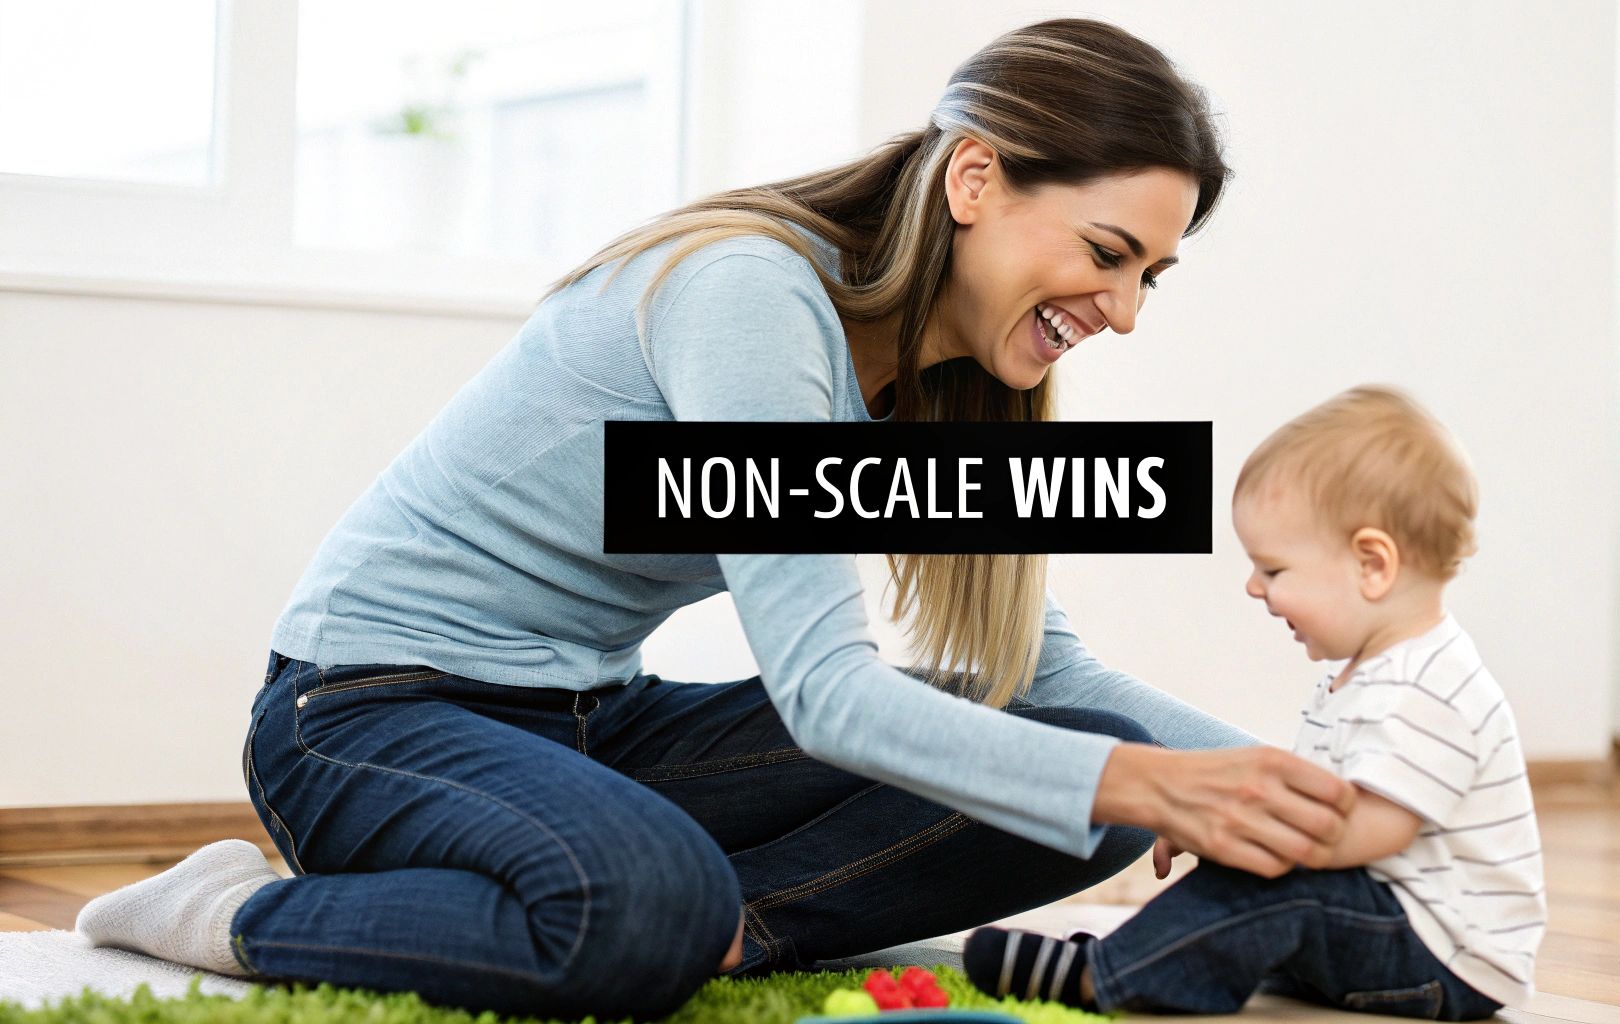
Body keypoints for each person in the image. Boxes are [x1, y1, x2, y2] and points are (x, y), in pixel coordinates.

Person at [73, 19, 1357, 1022]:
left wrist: (1309, 799)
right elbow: (825, 695)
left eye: (1149, 276)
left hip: (592, 727)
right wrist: (1160, 781)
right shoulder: (750, 296)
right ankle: (235, 912)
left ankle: (706, 927)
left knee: (1078, 762)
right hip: (367, 713)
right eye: (1106, 250)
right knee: (1073, 778)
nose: (1122, 310)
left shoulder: (948, 381)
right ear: (976, 178)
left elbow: (1045, 677)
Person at [964, 386, 1543, 1020]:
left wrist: (1230, 828)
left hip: (1445, 957)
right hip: (1387, 923)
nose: (1253, 587)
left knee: (1282, 882)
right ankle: (1151, 958)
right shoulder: (1367, 676)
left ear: (1371, 564)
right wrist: (1217, 815)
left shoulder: (1431, 687)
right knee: (1263, 880)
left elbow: (1364, 833)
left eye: (1274, 570)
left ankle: (1105, 974)